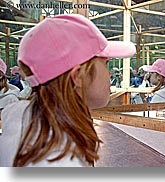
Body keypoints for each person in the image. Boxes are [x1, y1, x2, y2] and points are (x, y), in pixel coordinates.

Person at [0, 14, 136, 167]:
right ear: (77, 76)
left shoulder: (22, 125)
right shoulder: (60, 161)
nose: (109, 73)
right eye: (106, 63)